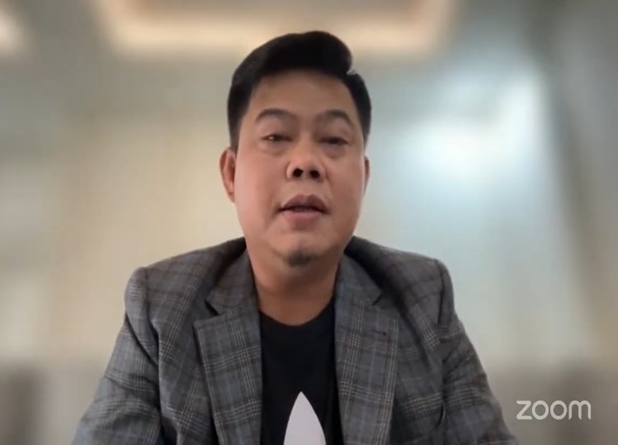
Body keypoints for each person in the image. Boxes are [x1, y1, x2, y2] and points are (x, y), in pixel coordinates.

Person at [73, 31, 518, 445]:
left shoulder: (422, 297)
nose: (305, 161)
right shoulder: (162, 309)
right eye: (276, 136)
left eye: (334, 140)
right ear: (231, 173)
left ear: (363, 178)